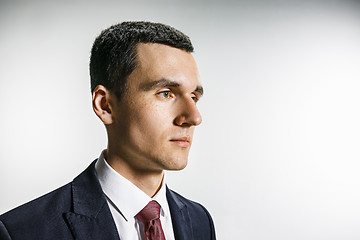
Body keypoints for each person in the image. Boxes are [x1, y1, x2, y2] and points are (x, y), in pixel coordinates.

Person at [0, 21, 216, 240]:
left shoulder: (200, 221)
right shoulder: (22, 231)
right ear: (105, 105)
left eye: (194, 97)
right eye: (166, 93)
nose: (194, 117)